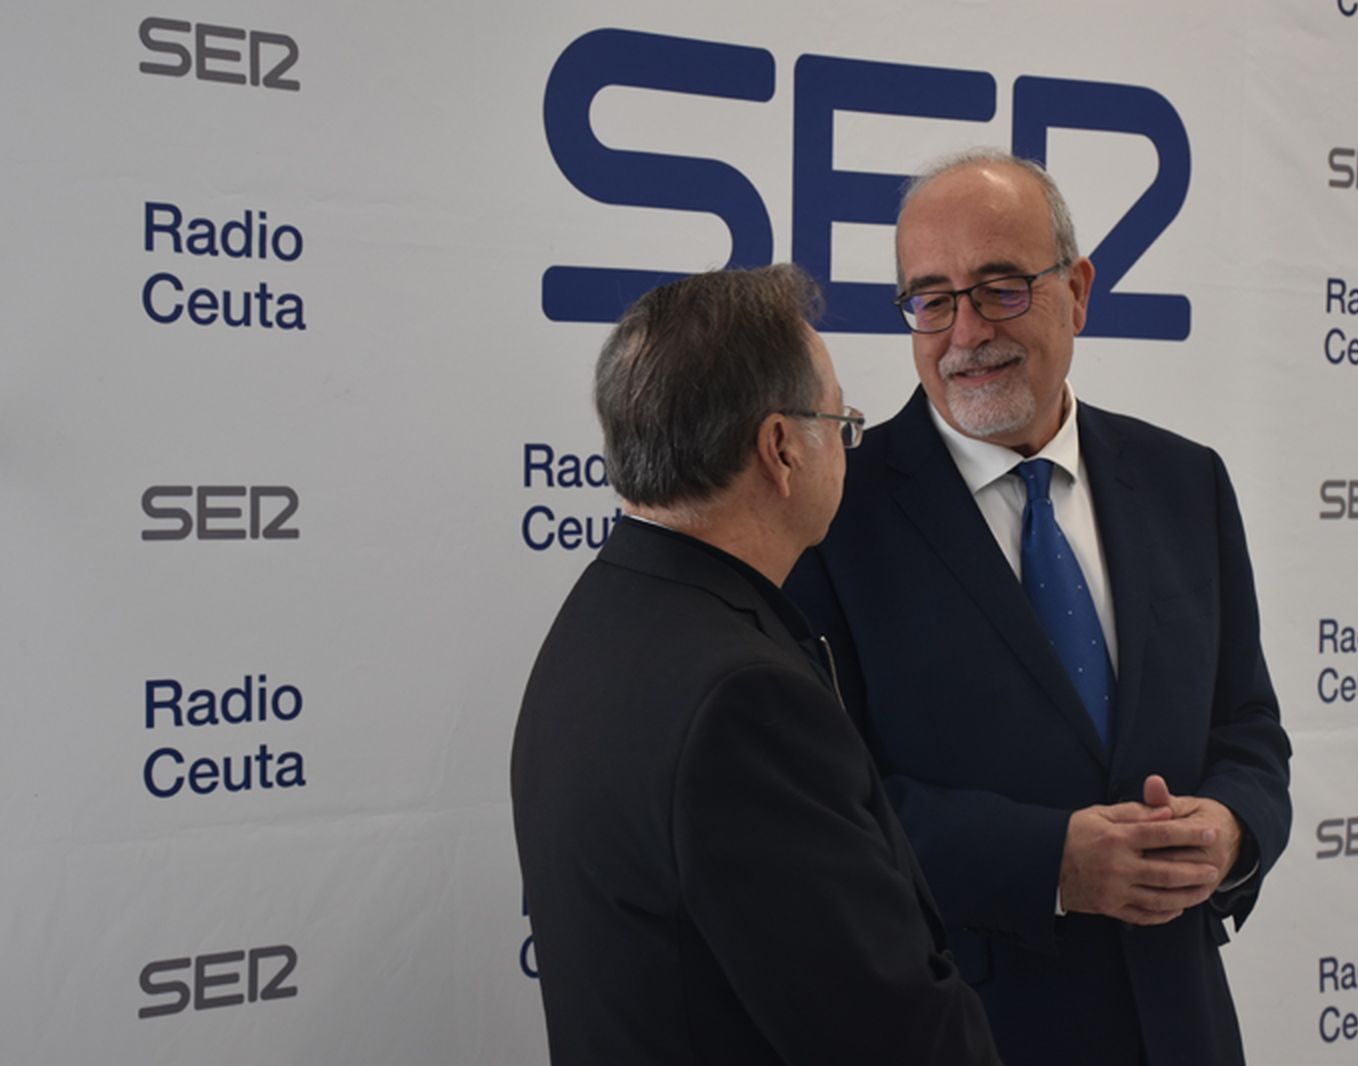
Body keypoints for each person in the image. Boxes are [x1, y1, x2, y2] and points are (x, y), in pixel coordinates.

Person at [785, 151, 1292, 1066]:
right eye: (931, 300)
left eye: (1000, 288)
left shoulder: (1186, 482)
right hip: (972, 1032)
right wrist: (1047, 861)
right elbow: (827, 809)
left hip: (1184, 1022)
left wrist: (1233, 829)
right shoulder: (832, 517)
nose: (964, 332)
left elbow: (1249, 726)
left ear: (1079, 290)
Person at [511, 264, 1001, 1066]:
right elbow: (888, 1033)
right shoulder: (747, 703)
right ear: (780, 449)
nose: (850, 446)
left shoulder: (606, 609)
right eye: (842, 424)